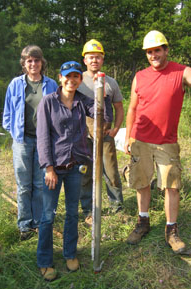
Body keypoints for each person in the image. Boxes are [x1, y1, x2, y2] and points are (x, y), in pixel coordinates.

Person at [124, 30, 191, 253]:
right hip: (140, 139)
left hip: (166, 142)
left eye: (157, 50)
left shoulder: (181, 72)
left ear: (166, 50)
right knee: (141, 182)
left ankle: (171, 230)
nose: (153, 55)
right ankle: (143, 222)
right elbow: (132, 107)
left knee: (171, 186)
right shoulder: (140, 76)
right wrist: (129, 135)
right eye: (149, 52)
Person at [36, 61, 112, 281]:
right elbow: (42, 138)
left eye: (76, 77)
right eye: (67, 76)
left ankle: (70, 254)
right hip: (54, 168)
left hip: (76, 167)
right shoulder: (48, 102)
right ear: (60, 78)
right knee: (48, 216)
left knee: (72, 213)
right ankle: (44, 261)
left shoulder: (82, 102)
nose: (71, 80)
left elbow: (102, 117)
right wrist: (48, 168)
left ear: (80, 79)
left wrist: (102, 93)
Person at [2, 45, 58, 241]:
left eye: (36, 60)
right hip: (22, 141)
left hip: (44, 141)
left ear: (42, 62)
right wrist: (14, 132)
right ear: (24, 64)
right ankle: (24, 224)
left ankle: (38, 222)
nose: (33, 64)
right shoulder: (15, 84)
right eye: (29, 61)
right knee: (24, 184)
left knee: (40, 183)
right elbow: (7, 112)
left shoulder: (51, 85)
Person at [79, 39, 124, 225]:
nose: (94, 60)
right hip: (83, 136)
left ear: (102, 59)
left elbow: (119, 108)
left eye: (97, 57)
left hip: (105, 135)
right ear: (85, 60)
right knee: (85, 173)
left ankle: (117, 208)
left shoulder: (110, 82)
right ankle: (88, 210)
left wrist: (115, 129)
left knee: (111, 172)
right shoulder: (78, 80)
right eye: (91, 57)